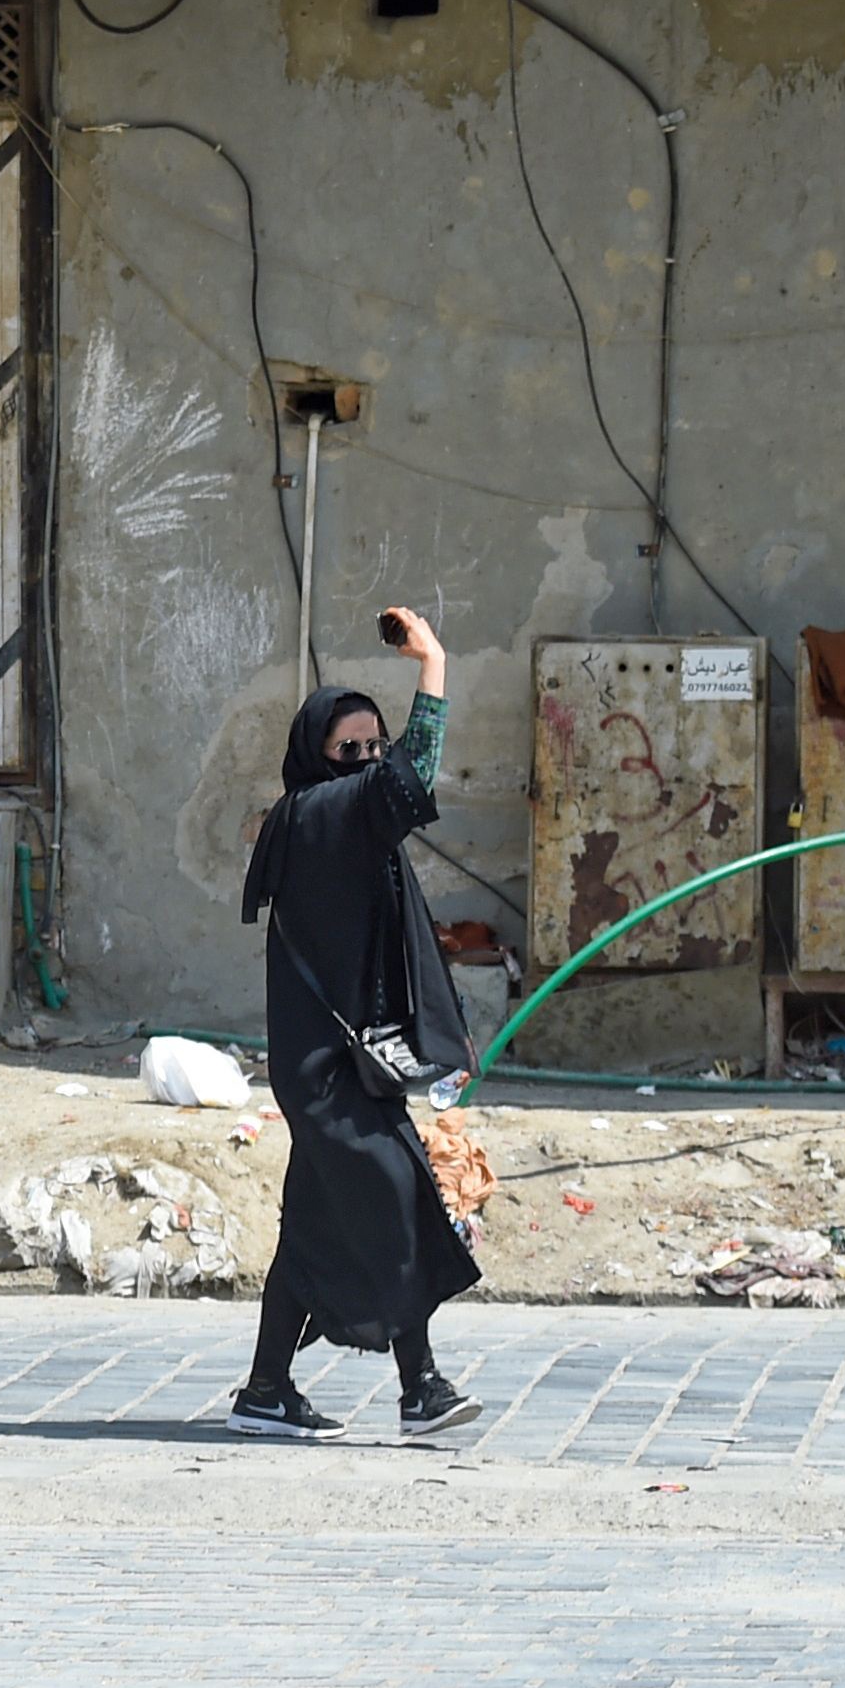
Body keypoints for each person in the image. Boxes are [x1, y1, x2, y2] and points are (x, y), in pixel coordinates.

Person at [235, 615, 485, 1439]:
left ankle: (267, 1390)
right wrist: (435, 666)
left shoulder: (327, 818)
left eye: (376, 746)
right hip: (327, 1075)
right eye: (352, 748)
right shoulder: (321, 815)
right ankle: (422, 1389)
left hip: (345, 1066)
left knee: (313, 1225)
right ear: (318, 755)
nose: (370, 760)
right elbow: (410, 781)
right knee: (396, 1197)